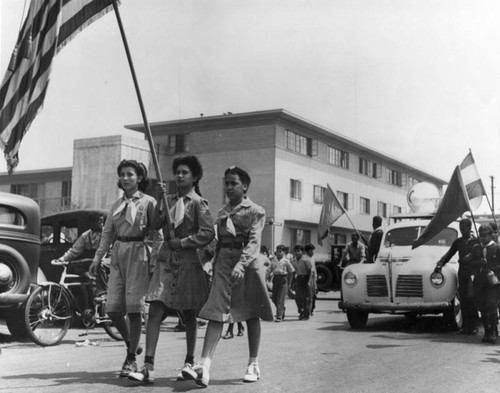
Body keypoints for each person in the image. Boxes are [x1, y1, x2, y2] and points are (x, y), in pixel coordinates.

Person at [182, 166, 273, 387]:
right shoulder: (223, 212)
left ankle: (253, 363)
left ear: (245, 186)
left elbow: (253, 242)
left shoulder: (255, 211)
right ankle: (204, 366)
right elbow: (217, 241)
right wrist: (203, 259)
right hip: (223, 265)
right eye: (227, 183)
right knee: (216, 312)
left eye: (234, 183)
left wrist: (242, 265)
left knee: (251, 313)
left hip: (248, 265)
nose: (229, 187)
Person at [129, 155, 215, 384]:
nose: (179, 176)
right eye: (177, 172)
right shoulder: (167, 200)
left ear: (195, 177)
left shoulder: (199, 203)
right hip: (166, 262)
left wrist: (185, 242)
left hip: (189, 263)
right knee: (156, 310)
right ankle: (148, 366)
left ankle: (189, 361)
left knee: (188, 314)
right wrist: (159, 201)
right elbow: (153, 226)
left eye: (185, 172)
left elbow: (208, 233)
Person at [89, 159, 163, 377]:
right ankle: (132, 342)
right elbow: (108, 234)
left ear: (139, 177)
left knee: (134, 309)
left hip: (139, 253)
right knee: (111, 308)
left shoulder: (149, 202)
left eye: (130, 174)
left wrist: (153, 261)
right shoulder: (116, 205)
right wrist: (97, 257)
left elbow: (158, 235)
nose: (125, 178)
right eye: (122, 174)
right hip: (118, 254)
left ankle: (130, 359)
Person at [434, 218, 478, 334]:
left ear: (469, 227)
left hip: (473, 273)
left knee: (471, 299)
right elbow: (449, 254)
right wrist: (440, 263)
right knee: (463, 299)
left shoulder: (476, 241)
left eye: (465, 228)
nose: (463, 230)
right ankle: (465, 326)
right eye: (461, 228)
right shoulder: (458, 242)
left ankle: (473, 325)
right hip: (462, 272)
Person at [57, 215, 108, 298]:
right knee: (73, 265)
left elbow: (104, 250)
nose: (101, 224)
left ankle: (102, 292)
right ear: (92, 223)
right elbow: (75, 250)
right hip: (92, 261)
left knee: (99, 264)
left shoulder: (106, 234)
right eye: (98, 221)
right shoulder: (86, 235)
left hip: (105, 260)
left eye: (102, 222)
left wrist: (98, 260)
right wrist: (62, 259)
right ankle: (89, 278)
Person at [464, 224, 500, 343]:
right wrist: (479, 262)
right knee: (483, 307)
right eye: (481, 235)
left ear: (490, 235)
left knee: (491, 305)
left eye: (485, 235)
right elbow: (469, 263)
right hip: (480, 282)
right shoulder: (476, 248)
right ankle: (487, 332)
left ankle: (493, 332)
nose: (482, 238)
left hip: (493, 283)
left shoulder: (497, 248)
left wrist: (493, 269)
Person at [268, 244, 295, 322]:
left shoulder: (286, 261)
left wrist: (289, 283)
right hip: (276, 279)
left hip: (283, 279)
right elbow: (270, 269)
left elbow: (291, 272)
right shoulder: (273, 260)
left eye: (280, 251)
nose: (279, 253)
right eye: (277, 251)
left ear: (284, 252)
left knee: (281, 299)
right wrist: (269, 276)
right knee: (274, 298)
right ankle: (282, 309)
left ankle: (279, 316)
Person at [293, 244, 312, 320]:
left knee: (306, 298)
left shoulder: (305, 260)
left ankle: (306, 315)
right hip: (298, 279)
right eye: (295, 251)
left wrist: (309, 281)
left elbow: (310, 271)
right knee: (297, 297)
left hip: (305, 278)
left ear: (302, 252)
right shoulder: (294, 260)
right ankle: (301, 311)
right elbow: (293, 271)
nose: (296, 252)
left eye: (298, 251)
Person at [304, 243, 317, 316]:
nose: (313, 252)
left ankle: (311, 309)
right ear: (308, 251)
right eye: (311, 251)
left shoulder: (313, 257)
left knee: (313, 294)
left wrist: (316, 278)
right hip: (307, 276)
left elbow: (314, 268)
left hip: (313, 276)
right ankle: (307, 310)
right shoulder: (305, 258)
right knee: (308, 294)